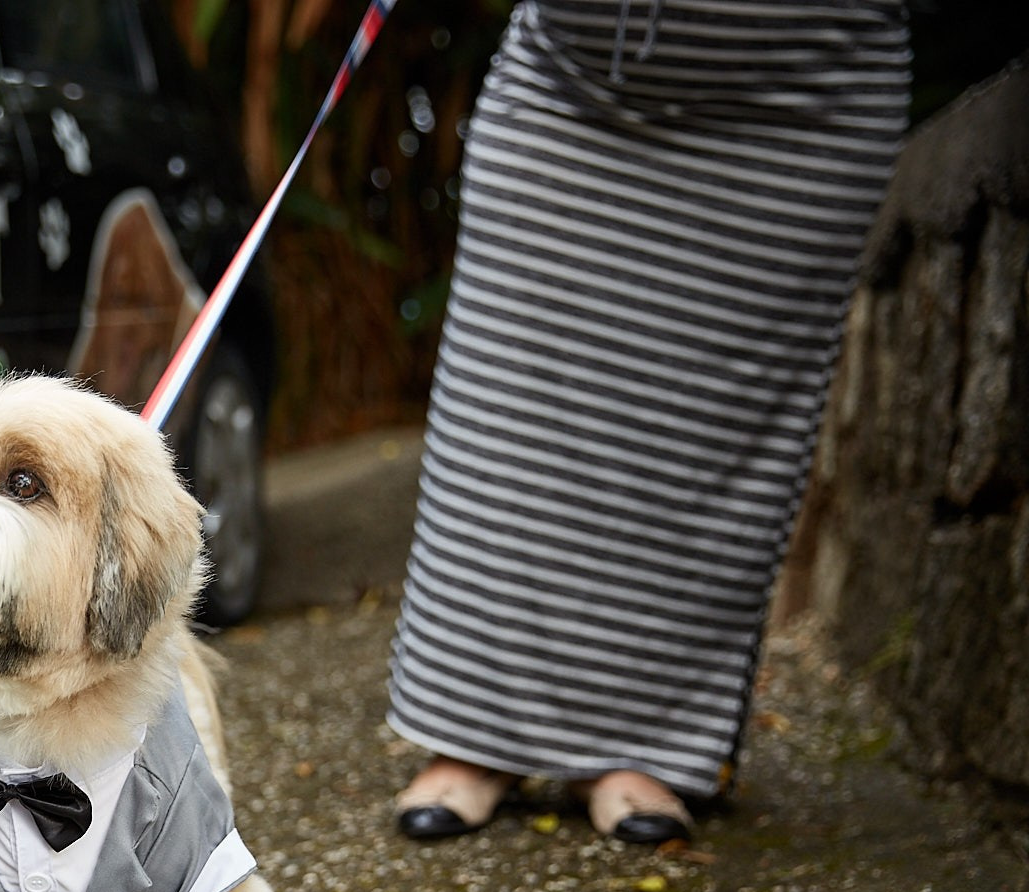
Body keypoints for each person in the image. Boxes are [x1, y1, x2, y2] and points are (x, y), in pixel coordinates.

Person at [386, 0, 910, 843]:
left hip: (800, 91)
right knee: (507, 418)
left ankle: (646, 745)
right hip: (576, 80)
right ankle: (477, 733)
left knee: (702, 442)